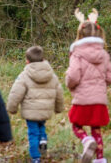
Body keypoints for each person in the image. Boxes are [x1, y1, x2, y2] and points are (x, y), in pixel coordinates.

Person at [65, 9, 111, 163]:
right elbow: (109, 77)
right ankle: (100, 159)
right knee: (96, 129)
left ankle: (86, 140)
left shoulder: (77, 53)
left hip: (82, 99)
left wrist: (69, 84)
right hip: (99, 100)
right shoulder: (104, 55)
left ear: (80, 36)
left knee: (76, 125)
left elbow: (73, 76)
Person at [7, 46, 64, 163]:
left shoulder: (24, 75)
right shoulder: (51, 74)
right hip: (45, 110)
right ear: (43, 58)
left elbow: (16, 93)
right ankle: (43, 139)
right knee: (41, 126)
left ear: (27, 61)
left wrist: (12, 108)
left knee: (33, 133)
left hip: (31, 111)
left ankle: (36, 157)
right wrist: (59, 108)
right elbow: (59, 91)